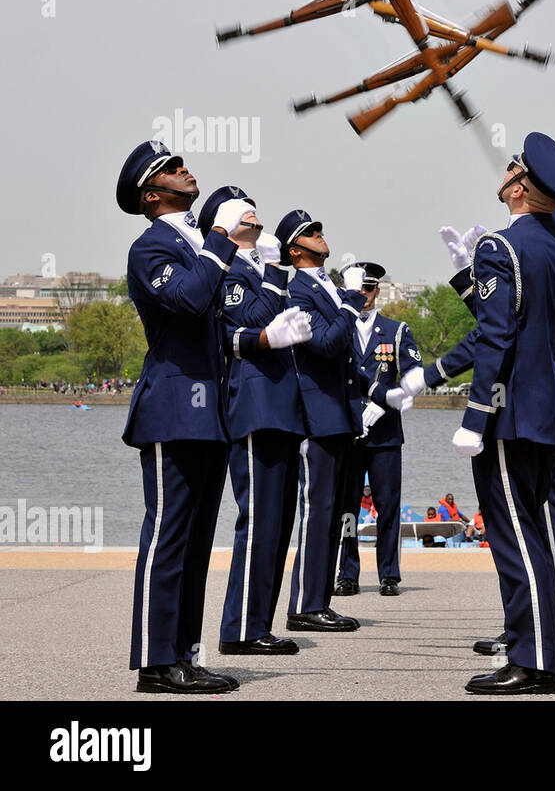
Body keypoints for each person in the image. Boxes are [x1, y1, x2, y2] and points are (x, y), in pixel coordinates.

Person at [411, 131, 555, 695]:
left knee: (514, 538)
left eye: (512, 169)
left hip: (509, 416)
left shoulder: (502, 248)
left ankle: (531, 661)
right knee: (530, 529)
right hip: (548, 412)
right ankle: (535, 653)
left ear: (520, 186)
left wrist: (476, 414)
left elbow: (496, 337)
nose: (504, 173)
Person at [118, 141, 242, 693]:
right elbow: (191, 300)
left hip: (210, 412)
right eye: (170, 169)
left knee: (194, 541)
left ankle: (185, 654)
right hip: (172, 409)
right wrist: (220, 241)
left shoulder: (196, 244)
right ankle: (154, 660)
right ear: (152, 193)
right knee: (168, 533)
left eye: (180, 163)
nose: (184, 170)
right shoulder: (151, 247)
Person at [195, 186, 315, 660]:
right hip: (253, 405)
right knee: (259, 520)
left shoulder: (262, 269)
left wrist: (270, 274)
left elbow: (286, 321)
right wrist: (269, 275)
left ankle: (256, 624)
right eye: (240, 207)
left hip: (282, 406)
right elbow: (248, 322)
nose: (253, 212)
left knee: (277, 523)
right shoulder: (230, 269)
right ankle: (241, 627)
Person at [276, 208, 368, 632]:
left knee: (331, 511)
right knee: (317, 509)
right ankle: (304, 605)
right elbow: (328, 345)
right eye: (310, 233)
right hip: (317, 415)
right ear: (296, 250)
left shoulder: (324, 288)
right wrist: (350, 304)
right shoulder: (298, 292)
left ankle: (320, 600)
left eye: (319, 229)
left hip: (340, 413)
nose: (320, 234)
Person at [336, 261, 420, 597]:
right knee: (347, 508)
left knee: (387, 505)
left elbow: (413, 375)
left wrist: (385, 404)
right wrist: (356, 410)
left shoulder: (397, 330)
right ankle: (347, 573)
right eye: (357, 290)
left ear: (377, 291)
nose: (364, 296)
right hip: (347, 431)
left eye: (369, 289)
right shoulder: (337, 327)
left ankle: (389, 574)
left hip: (385, 434)